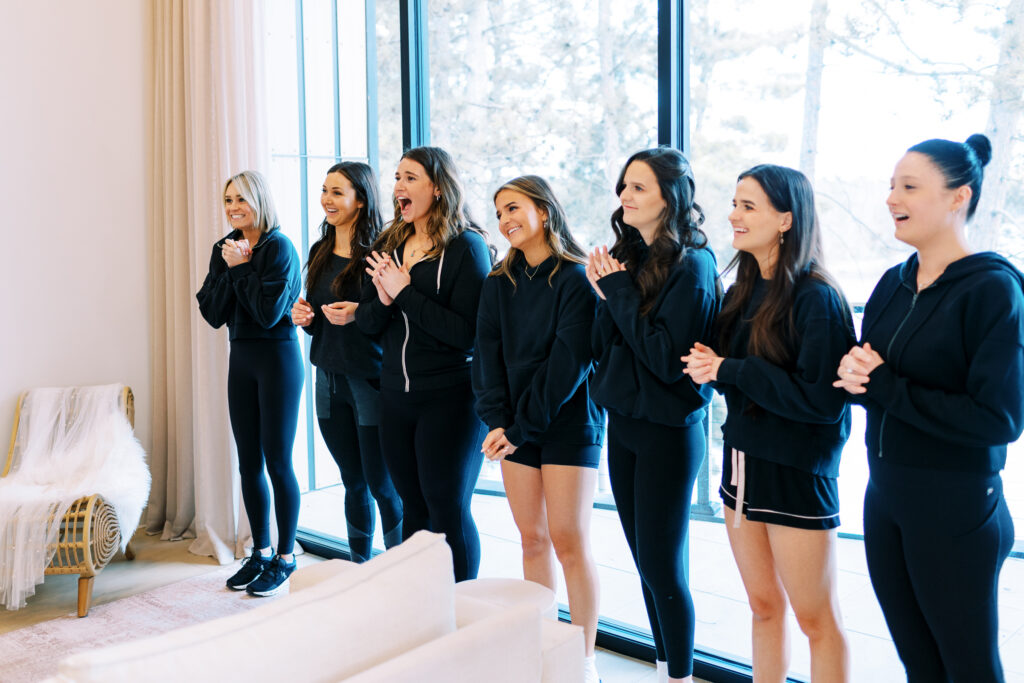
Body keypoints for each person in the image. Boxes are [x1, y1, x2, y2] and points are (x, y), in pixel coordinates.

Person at [834, 134, 1024, 682]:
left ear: (958, 197)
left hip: (956, 507)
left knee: (968, 668)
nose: (893, 198)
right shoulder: (893, 284)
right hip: (886, 497)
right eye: (892, 186)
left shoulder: (992, 289)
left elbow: (999, 419)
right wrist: (855, 378)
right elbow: (875, 375)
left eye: (910, 187)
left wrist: (884, 386)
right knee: (920, 664)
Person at [683, 164, 854, 682]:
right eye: (734, 203)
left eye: (748, 206)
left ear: (786, 218)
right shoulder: (741, 288)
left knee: (816, 619)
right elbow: (731, 378)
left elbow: (823, 404)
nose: (733, 215)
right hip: (742, 462)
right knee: (762, 606)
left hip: (797, 473)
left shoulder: (817, 297)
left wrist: (731, 369)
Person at [586, 147, 719, 683]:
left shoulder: (694, 263)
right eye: (623, 187)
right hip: (626, 422)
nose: (625, 197)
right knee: (644, 561)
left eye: (638, 187)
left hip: (669, 429)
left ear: (672, 195)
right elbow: (604, 347)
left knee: (664, 566)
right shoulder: (630, 257)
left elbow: (667, 361)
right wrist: (606, 294)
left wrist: (617, 294)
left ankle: (680, 675)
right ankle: (667, 668)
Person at [473, 175, 605, 682]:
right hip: (514, 428)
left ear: (544, 211)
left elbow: (568, 364)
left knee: (570, 539)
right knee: (532, 540)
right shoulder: (497, 283)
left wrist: (520, 425)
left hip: (569, 422)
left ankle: (585, 658)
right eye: (500, 211)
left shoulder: (575, 278)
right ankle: (545, 649)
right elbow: (486, 357)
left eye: (514, 208)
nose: (505, 220)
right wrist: (497, 420)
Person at [356, 146, 492, 582]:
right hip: (395, 396)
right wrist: (381, 298)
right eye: (397, 177)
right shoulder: (391, 243)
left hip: (450, 399)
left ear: (437, 187)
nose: (398, 185)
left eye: (410, 177)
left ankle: (463, 611)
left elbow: (467, 334)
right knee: (411, 504)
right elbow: (370, 324)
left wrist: (404, 292)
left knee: (447, 506)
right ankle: (422, 607)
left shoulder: (467, 247)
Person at [196, 170, 303, 596]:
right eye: (228, 201)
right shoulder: (224, 248)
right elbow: (212, 311)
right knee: (248, 462)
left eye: (241, 199)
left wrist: (241, 269)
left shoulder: (280, 247)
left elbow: (268, 312)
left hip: (277, 359)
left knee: (278, 461)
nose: (234, 207)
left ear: (259, 200)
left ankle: (286, 556)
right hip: (240, 359)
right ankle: (259, 551)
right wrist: (230, 266)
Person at [291, 162, 402, 563]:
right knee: (352, 482)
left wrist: (359, 313)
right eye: (324, 190)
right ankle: (360, 570)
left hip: (369, 382)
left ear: (361, 199)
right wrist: (306, 318)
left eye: (337, 192)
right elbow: (318, 318)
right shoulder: (320, 251)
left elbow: (390, 319)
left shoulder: (380, 255)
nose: (326, 199)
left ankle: (401, 576)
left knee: (382, 485)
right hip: (328, 380)